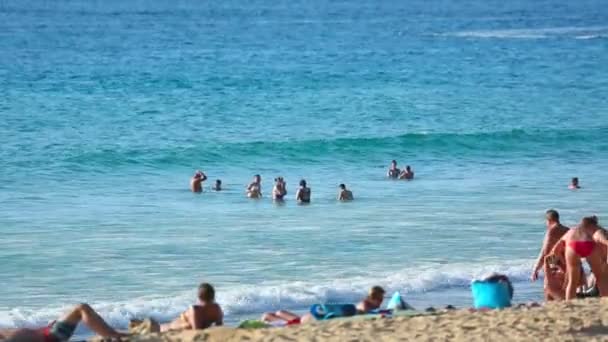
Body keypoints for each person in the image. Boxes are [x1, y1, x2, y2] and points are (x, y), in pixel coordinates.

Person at [549, 216, 608, 300]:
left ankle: (569, 304)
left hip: (572, 246)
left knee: (572, 282)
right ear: (594, 223)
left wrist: (553, 267)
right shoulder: (596, 228)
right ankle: (605, 300)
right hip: (589, 244)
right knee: (600, 277)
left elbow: (554, 251)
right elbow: (603, 239)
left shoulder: (571, 231)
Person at [261, 286, 386, 325]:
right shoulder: (365, 305)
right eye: (380, 299)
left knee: (281, 312)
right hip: (309, 320)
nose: (381, 302)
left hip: (312, 316)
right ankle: (265, 318)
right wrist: (378, 315)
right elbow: (363, 313)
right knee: (269, 316)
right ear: (374, 298)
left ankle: (274, 315)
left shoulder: (366, 304)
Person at [0, 303, 125, 342]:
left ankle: (111, 335)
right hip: (51, 336)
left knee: (81, 308)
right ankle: (112, 335)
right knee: (81, 308)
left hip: (48, 331)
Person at [131, 283, 223, 333]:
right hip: (168, 329)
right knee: (156, 327)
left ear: (199, 296)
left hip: (173, 327)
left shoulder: (201, 309)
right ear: (213, 295)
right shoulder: (210, 309)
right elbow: (197, 331)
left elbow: (219, 328)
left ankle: (144, 323)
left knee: (157, 326)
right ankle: (142, 323)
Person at [530, 209, 570, 300]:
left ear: (548, 220)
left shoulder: (551, 232)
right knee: (563, 294)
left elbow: (545, 252)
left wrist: (535, 269)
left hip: (554, 268)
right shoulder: (568, 230)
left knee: (549, 293)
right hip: (566, 267)